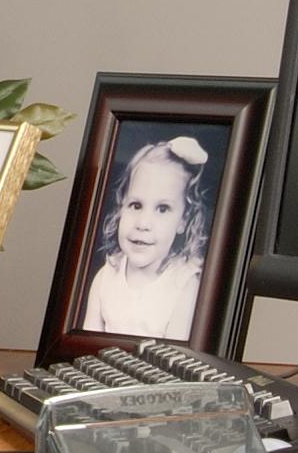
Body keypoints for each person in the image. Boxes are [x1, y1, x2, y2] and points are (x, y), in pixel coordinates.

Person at [79, 132, 213, 340]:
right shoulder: (105, 277)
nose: (143, 224)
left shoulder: (183, 286)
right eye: (136, 205)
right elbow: (84, 346)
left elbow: (177, 361)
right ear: (121, 206)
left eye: (162, 209)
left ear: (183, 221)